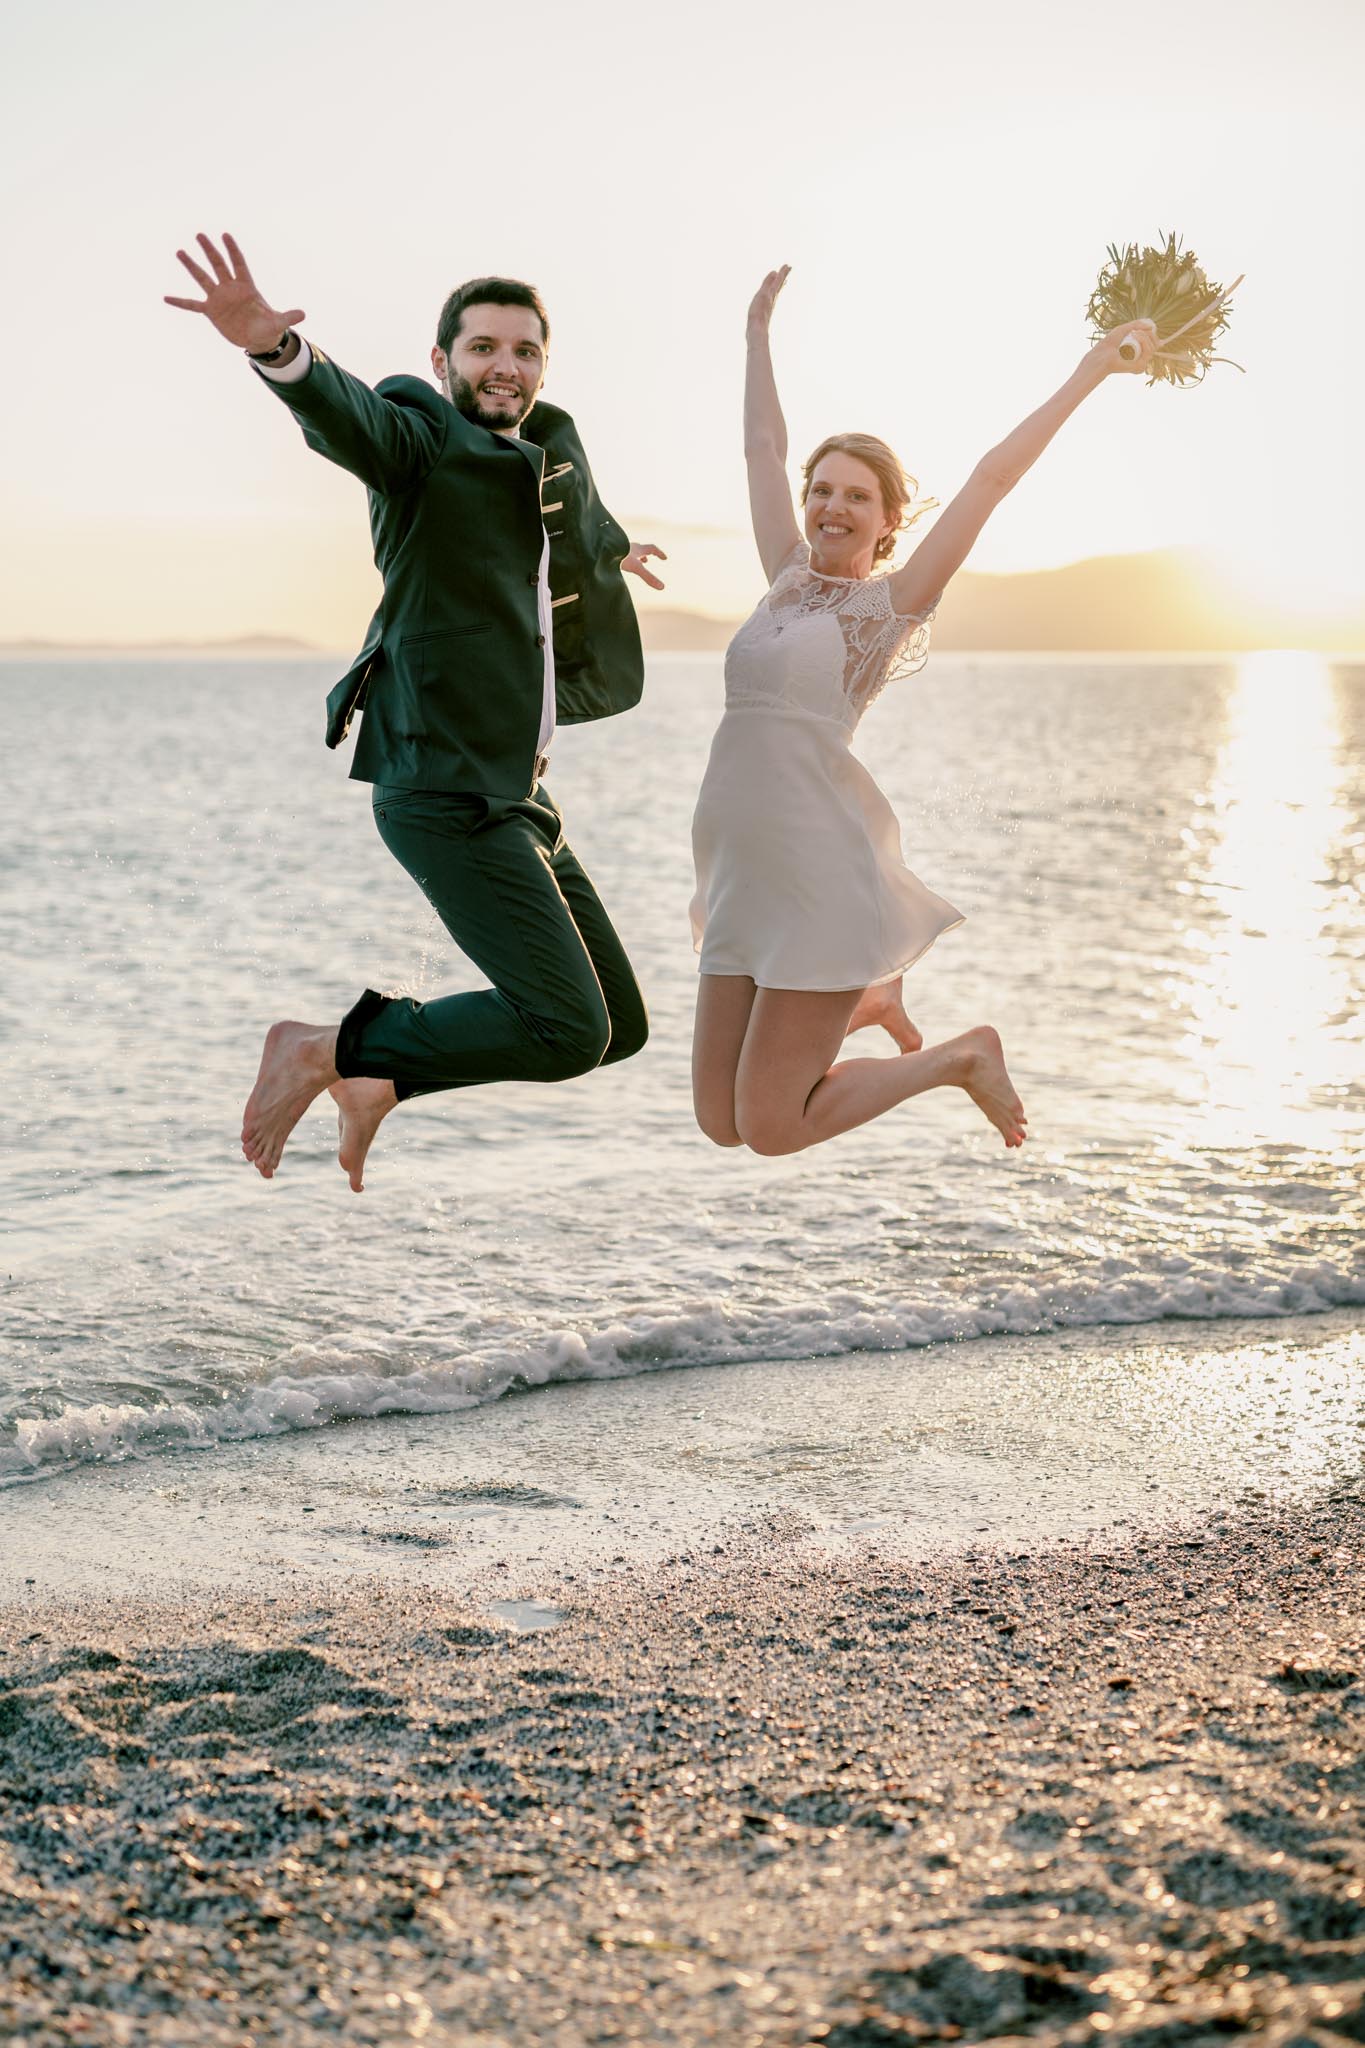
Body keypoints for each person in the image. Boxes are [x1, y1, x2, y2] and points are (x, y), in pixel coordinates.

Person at [166, 233, 665, 1191]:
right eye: (482, 348)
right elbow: (353, 418)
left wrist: (609, 551)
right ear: (442, 361)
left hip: (518, 794)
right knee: (567, 1029)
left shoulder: (534, 462)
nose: (505, 366)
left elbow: (543, 541)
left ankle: (380, 1079)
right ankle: (324, 1047)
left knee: (619, 1028)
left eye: (524, 351)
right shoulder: (422, 437)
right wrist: (278, 352)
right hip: (438, 786)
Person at [690, 266, 1158, 1158]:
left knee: (772, 1127)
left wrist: (1092, 369)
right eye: (821, 489)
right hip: (737, 872)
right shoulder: (782, 580)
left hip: (813, 875)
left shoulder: (884, 610)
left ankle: (959, 1057)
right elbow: (760, 449)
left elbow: (990, 477)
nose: (831, 504)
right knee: (721, 1122)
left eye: (856, 496)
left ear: (887, 521)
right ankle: (867, 999)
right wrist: (755, 334)